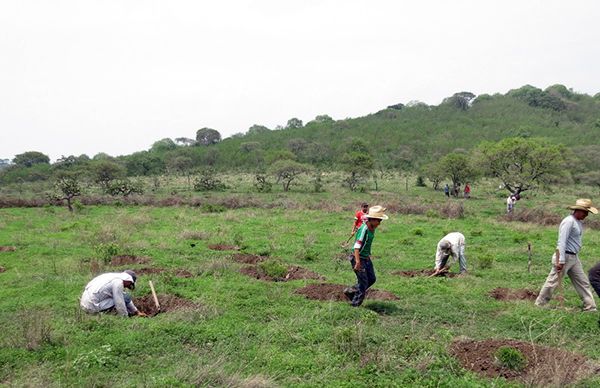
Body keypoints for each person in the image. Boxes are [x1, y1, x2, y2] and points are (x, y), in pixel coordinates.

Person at [535, 199, 597, 312]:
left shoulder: (578, 222)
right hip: (564, 257)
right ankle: (540, 304)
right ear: (578, 211)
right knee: (552, 282)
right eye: (585, 212)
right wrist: (561, 260)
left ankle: (590, 307)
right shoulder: (569, 221)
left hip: (574, 258)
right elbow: (561, 241)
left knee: (582, 282)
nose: (587, 215)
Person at [343, 206, 388, 307]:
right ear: (372, 219)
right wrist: (358, 262)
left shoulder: (372, 227)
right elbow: (356, 247)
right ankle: (355, 305)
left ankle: (350, 291)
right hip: (357, 258)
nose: (379, 223)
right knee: (363, 283)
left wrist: (367, 255)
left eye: (380, 221)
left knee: (372, 279)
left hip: (366, 258)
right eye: (378, 221)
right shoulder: (364, 229)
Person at [80, 270, 147, 317]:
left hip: (84, 304)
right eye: (129, 284)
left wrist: (136, 312)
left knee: (125, 296)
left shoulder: (112, 277)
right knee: (120, 299)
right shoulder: (118, 283)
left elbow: (125, 297)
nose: (127, 287)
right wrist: (125, 317)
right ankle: (109, 314)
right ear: (128, 280)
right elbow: (119, 302)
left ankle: (130, 312)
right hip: (91, 306)